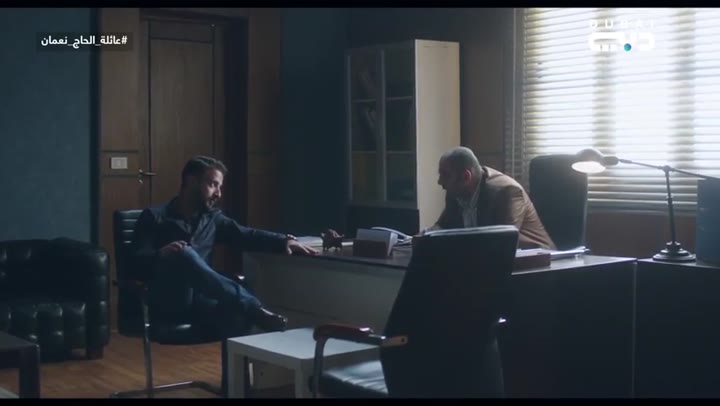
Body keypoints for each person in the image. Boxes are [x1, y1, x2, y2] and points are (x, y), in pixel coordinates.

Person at [131, 155, 319, 336]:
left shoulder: (213, 219)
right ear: (192, 181)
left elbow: (246, 235)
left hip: (201, 300)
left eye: (220, 187)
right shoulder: (154, 217)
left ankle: (240, 351)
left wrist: (284, 240)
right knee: (183, 253)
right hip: (167, 301)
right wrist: (161, 255)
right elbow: (134, 266)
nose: (218, 194)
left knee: (238, 314)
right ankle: (254, 308)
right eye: (213, 185)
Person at [426, 146, 556, 250]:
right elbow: (443, 227)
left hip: (538, 265)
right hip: (490, 264)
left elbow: (502, 244)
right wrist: (423, 238)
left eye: (445, 175)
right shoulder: (456, 191)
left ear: (466, 176)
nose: (440, 182)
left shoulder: (506, 192)